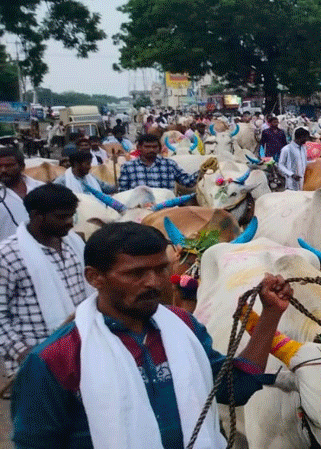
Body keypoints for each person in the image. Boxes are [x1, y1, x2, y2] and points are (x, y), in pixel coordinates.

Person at [10, 222, 293, 449]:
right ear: (94, 277)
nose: (154, 283)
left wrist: (270, 314)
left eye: (161, 269)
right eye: (136, 273)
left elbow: (234, 389)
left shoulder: (184, 328)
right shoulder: (55, 359)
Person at [0, 184, 85, 375]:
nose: (70, 222)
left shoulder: (75, 245)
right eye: (62, 217)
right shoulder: (7, 255)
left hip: (79, 351)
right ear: (36, 216)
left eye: (72, 215)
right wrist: (21, 351)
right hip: (34, 358)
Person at [118, 134, 199, 191]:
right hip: (140, 211)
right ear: (139, 148)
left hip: (166, 209)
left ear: (159, 148)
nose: (151, 150)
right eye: (147, 147)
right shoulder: (128, 167)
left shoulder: (170, 165)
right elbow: (123, 192)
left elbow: (188, 182)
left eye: (154, 147)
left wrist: (202, 171)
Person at [0, 147, 45, 240]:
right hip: (6, 251)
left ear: (22, 167)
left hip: (41, 249)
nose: (3, 170)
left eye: (9, 166)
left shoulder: (41, 188)